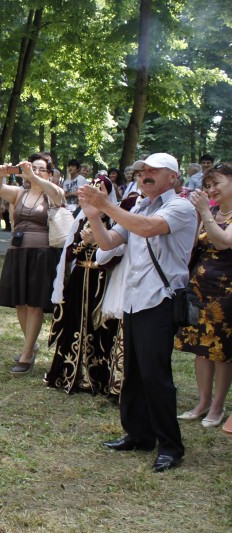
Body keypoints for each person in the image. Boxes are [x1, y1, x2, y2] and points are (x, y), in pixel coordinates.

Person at [79, 152, 197, 473]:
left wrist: (106, 205)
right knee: (133, 372)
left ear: (172, 177)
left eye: (153, 172)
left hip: (160, 300)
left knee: (155, 376)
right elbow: (107, 243)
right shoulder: (138, 207)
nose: (144, 175)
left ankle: (171, 446)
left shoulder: (181, 207)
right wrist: (93, 215)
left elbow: (146, 229)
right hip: (136, 300)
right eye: (142, 171)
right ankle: (139, 435)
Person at [46, 176, 120, 395]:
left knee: (100, 326)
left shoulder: (116, 221)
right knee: (76, 321)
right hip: (80, 279)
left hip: (102, 281)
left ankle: (98, 377)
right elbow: (68, 253)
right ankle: (73, 374)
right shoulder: (81, 220)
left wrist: (98, 243)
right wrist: (84, 243)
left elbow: (117, 257)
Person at [0, 153, 65, 374]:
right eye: (32, 167)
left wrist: (35, 177)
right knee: (20, 303)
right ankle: (30, 345)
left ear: (49, 173)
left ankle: (26, 354)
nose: (35, 171)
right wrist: (0, 174)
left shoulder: (52, 193)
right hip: (18, 252)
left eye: (41, 169)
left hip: (42, 254)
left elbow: (58, 196)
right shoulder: (19, 193)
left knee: (34, 304)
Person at [175, 163, 232, 428]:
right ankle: (202, 401)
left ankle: (218, 407)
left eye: (216, 183)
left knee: (221, 350)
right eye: (208, 185)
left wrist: (204, 213)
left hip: (226, 291)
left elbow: (222, 241)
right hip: (200, 286)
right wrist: (197, 217)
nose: (211, 189)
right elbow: (192, 245)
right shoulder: (209, 212)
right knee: (201, 346)